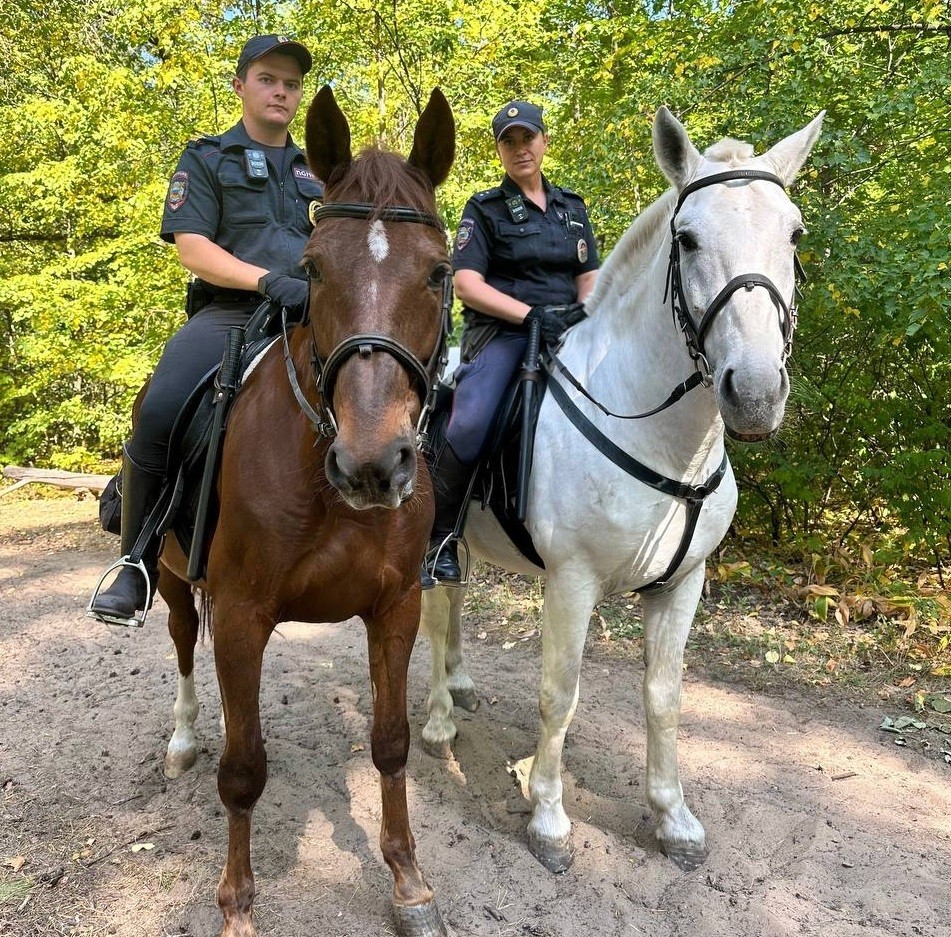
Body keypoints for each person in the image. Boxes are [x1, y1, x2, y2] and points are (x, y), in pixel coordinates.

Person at [88, 34, 323, 627]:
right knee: (161, 408)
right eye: (268, 78)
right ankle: (135, 564)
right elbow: (192, 248)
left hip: (312, 317)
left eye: (291, 83)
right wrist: (267, 281)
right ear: (241, 85)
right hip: (229, 314)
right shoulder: (206, 159)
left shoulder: (321, 168)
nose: (281, 91)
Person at [426, 99, 600, 583]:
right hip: (504, 335)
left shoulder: (572, 208)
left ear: (544, 141)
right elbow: (467, 283)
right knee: (470, 422)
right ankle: (438, 539)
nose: (520, 148)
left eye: (528, 137)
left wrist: (582, 314)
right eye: (509, 141)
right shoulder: (484, 210)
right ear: (499, 151)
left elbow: (589, 275)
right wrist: (531, 315)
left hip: (570, 331)